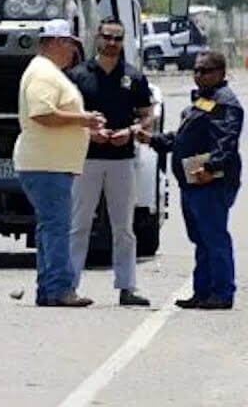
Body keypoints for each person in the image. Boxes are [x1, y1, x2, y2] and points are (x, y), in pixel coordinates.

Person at [140, 51, 243, 309]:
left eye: (205, 71)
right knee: (202, 238)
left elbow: (226, 140)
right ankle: (203, 290)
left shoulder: (225, 102)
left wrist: (211, 167)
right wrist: (152, 139)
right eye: (196, 70)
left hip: (211, 181)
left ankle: (221, 292)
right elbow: (183, 138)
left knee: (214, 237)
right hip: (192, 181)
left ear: (221, 72)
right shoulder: (203, 101)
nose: (199, 75)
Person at [15, 18, 105, 307]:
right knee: (56, 226)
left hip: (49, 162)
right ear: (54, 43)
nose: (73, 52)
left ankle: (49, 287)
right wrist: (84, 119)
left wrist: (87, 130)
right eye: (69, 44)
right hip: (47, 164)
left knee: (50, 226)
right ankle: (58, 288)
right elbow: (42, 113)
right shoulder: (43, 73)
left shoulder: (48, 72)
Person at [66, 18, 154, 307]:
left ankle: (127, 287)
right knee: (79, 224)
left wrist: (129, 132)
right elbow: (65, 117)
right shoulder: (78, 75)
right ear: (97, 37)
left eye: (118, 38)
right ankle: (69, 284)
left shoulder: (133, 76)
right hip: (86, 158)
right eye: (107, 37)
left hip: (121, 159)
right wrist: (91, 132)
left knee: (124, 227)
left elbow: (146, 114)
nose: (112, 43)